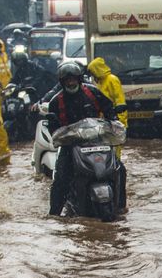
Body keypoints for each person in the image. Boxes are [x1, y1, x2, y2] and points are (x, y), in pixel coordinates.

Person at [44, 61, 120, 216]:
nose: (71, 82)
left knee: (119, 170)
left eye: (73, 79)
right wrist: (56, 128)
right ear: (62, 82)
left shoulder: (93, 92)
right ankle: (54, 214)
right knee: (61, 179)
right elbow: (54, 129)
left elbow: (109, 108)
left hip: (97, 140)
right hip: (71, 145)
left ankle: (121, 205)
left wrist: (114, 120)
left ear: (79, 79)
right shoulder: (55, 101)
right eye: (67, 80)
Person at [87, 57, 128, 157]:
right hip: (105, 121)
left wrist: (120, 121)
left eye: (93, 73)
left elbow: (119, 100)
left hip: (115, 120)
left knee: (115, 149)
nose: (93, 76)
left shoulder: (112, 80)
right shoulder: (100, 83)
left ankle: (117, 166)